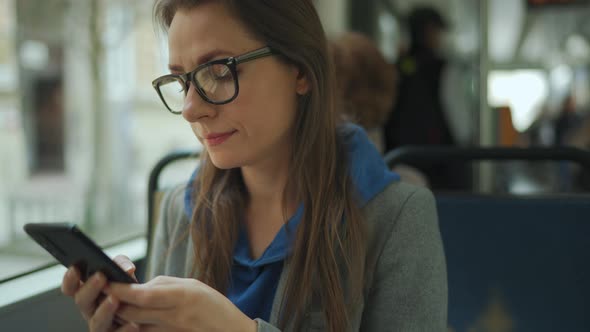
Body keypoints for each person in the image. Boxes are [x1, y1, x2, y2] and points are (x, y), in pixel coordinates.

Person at [61, 1, 447, 331]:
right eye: (182, 81)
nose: (192, 109)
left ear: (300, 71)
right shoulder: (181, 211)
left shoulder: (398, 218)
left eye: (218, 72)